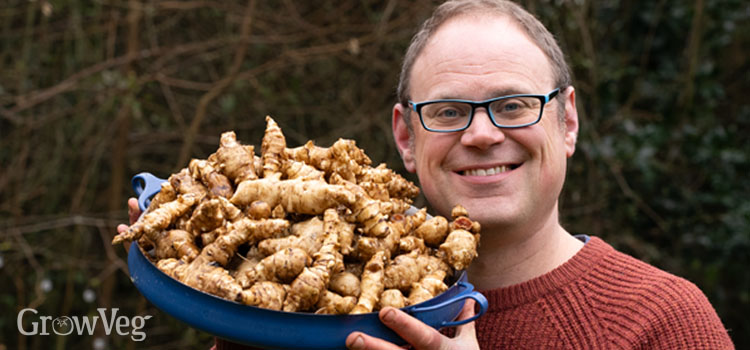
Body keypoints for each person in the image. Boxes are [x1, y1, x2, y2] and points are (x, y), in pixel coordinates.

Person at [119, 1, 734, 349]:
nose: (483, 134)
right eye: (448, 112)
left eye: (514, 104)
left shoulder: (665, 322)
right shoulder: (319, 319)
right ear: (406, 139)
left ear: (567, 121)